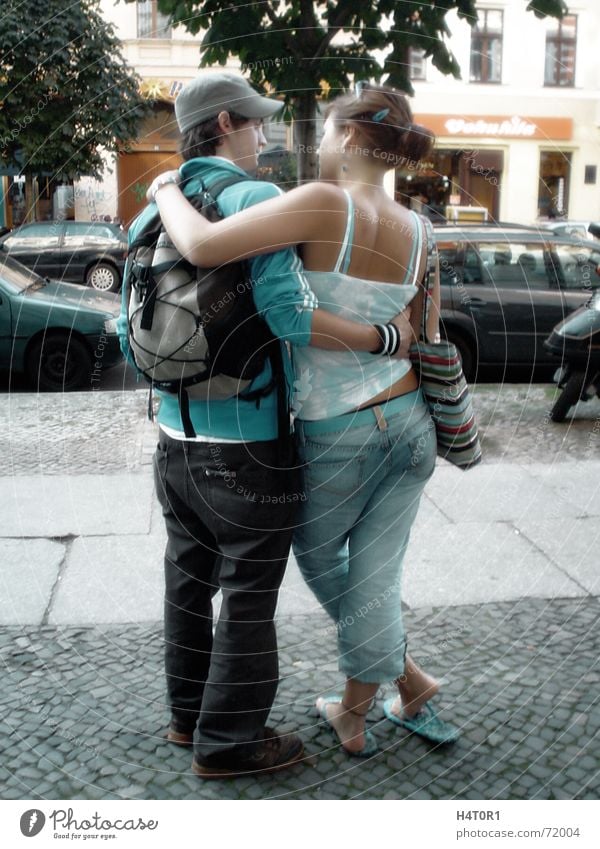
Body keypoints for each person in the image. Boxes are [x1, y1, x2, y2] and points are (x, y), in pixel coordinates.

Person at [149, 81, 461, 757]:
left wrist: (165, 190)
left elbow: (203, 246)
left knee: (329, 566)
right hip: (411, 427)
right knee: (375, 575)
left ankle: (391, 685)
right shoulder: (421, 230)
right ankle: (374, 701)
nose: (313, 144)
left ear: (350, 139)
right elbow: (423, 332)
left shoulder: (322, 204)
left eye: (321, 130)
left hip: (339, 429)